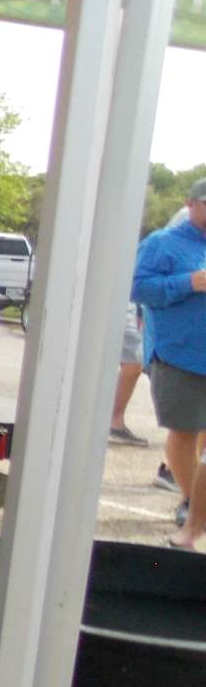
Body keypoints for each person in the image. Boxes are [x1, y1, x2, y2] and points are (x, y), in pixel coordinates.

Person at [132, 178, 206, 550]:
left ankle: (195, 509)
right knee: (184, 433)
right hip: (179, 355)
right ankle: (193, 504)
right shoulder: (163, 243)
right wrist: (189, 282)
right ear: (190, 204)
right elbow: (139, 288)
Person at [110, 300, 150, 446]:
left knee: (134, 364)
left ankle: (114, 421)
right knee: (134, 363)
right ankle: (114, 421)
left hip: (130, 302)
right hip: (127, 302)